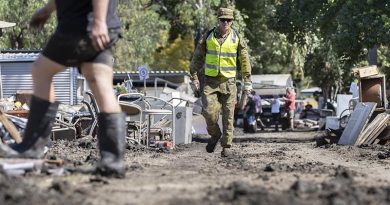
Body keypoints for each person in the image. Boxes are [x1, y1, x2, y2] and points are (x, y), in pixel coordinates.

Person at [0, 0, 126, 178]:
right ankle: (113, 161)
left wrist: (97, 21)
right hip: (102, 26)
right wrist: (47, 10)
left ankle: (33, 146)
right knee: (99, 81)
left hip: (80, 25)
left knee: (42, 70)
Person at [190, 7, 252, 157]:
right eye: (223, 19)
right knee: (208, 113)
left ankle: (226, 146)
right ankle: (215, 134)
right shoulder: (208, 36)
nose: (225, 22)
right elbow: (197, 57)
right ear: (218, 20)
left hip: (229, 82)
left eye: (228, 20)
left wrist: (247, 81)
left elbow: (245, 61)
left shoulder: (237, 38)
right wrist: (194, 77)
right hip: (210, 82)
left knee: (228, 116)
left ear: (232, 22)